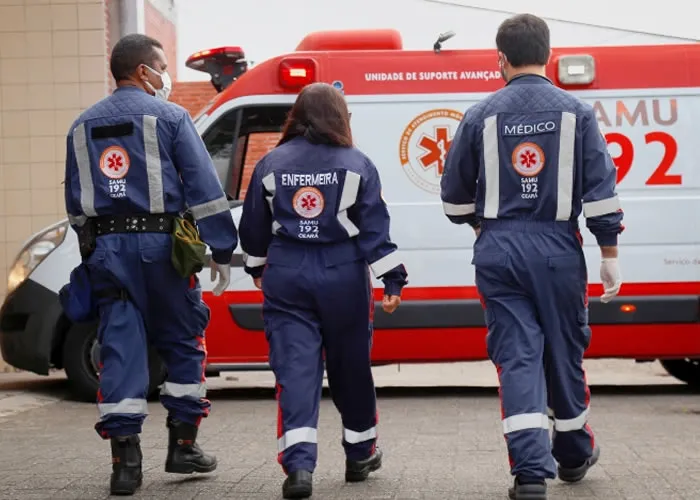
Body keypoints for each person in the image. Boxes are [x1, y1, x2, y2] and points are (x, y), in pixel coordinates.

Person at [440, 14, 624, 500]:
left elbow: (453, 200)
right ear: (550, 54)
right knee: (565, 351)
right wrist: (609, 252)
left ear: (499, 58)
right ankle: (573, 452)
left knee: (517, 356)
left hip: (498, 251)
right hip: (559, 249)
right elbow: (602, 194)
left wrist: (483, 225)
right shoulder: (578, 114)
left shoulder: (480, 115)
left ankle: (529, 475)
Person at [63, 34, 237, 496]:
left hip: (107, 251)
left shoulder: (81, 126)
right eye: (162, 67)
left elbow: (76, 206)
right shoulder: (171, 117)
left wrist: (94, 254)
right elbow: (203, 187)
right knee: (183, 338)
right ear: (144, 71)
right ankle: (183, 446)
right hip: (163, 250)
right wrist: (221, 248)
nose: (166, 78)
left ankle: (125, 465)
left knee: (119, 345)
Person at [238, 82, 408, 499]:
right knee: (351, 368)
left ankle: (298, 468)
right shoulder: (357, 164)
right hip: (343, 274)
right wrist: (392, 279)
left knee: (296, 370)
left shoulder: (271, 163)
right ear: (339, 117)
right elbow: (374, 230)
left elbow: (254, 228)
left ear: (296, 115)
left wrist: (258, 267)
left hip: (288, 273)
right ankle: (361, 453)